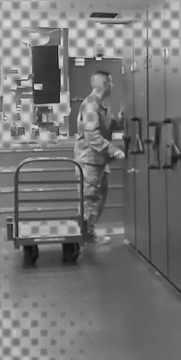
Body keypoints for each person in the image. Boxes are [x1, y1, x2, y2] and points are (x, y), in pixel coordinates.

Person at [74, 71, 125, 245]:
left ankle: (88, 233)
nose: (113, 85)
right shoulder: (90, 106)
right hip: (89, 160)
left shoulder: (101, 106)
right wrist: (113, 150)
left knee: (97, 197)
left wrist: (122, 119)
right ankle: (85, 236)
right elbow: (92, 135)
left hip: (97, 160)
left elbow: (110, 125)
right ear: (104, 84)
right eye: (111, 82)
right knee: (90, 197)